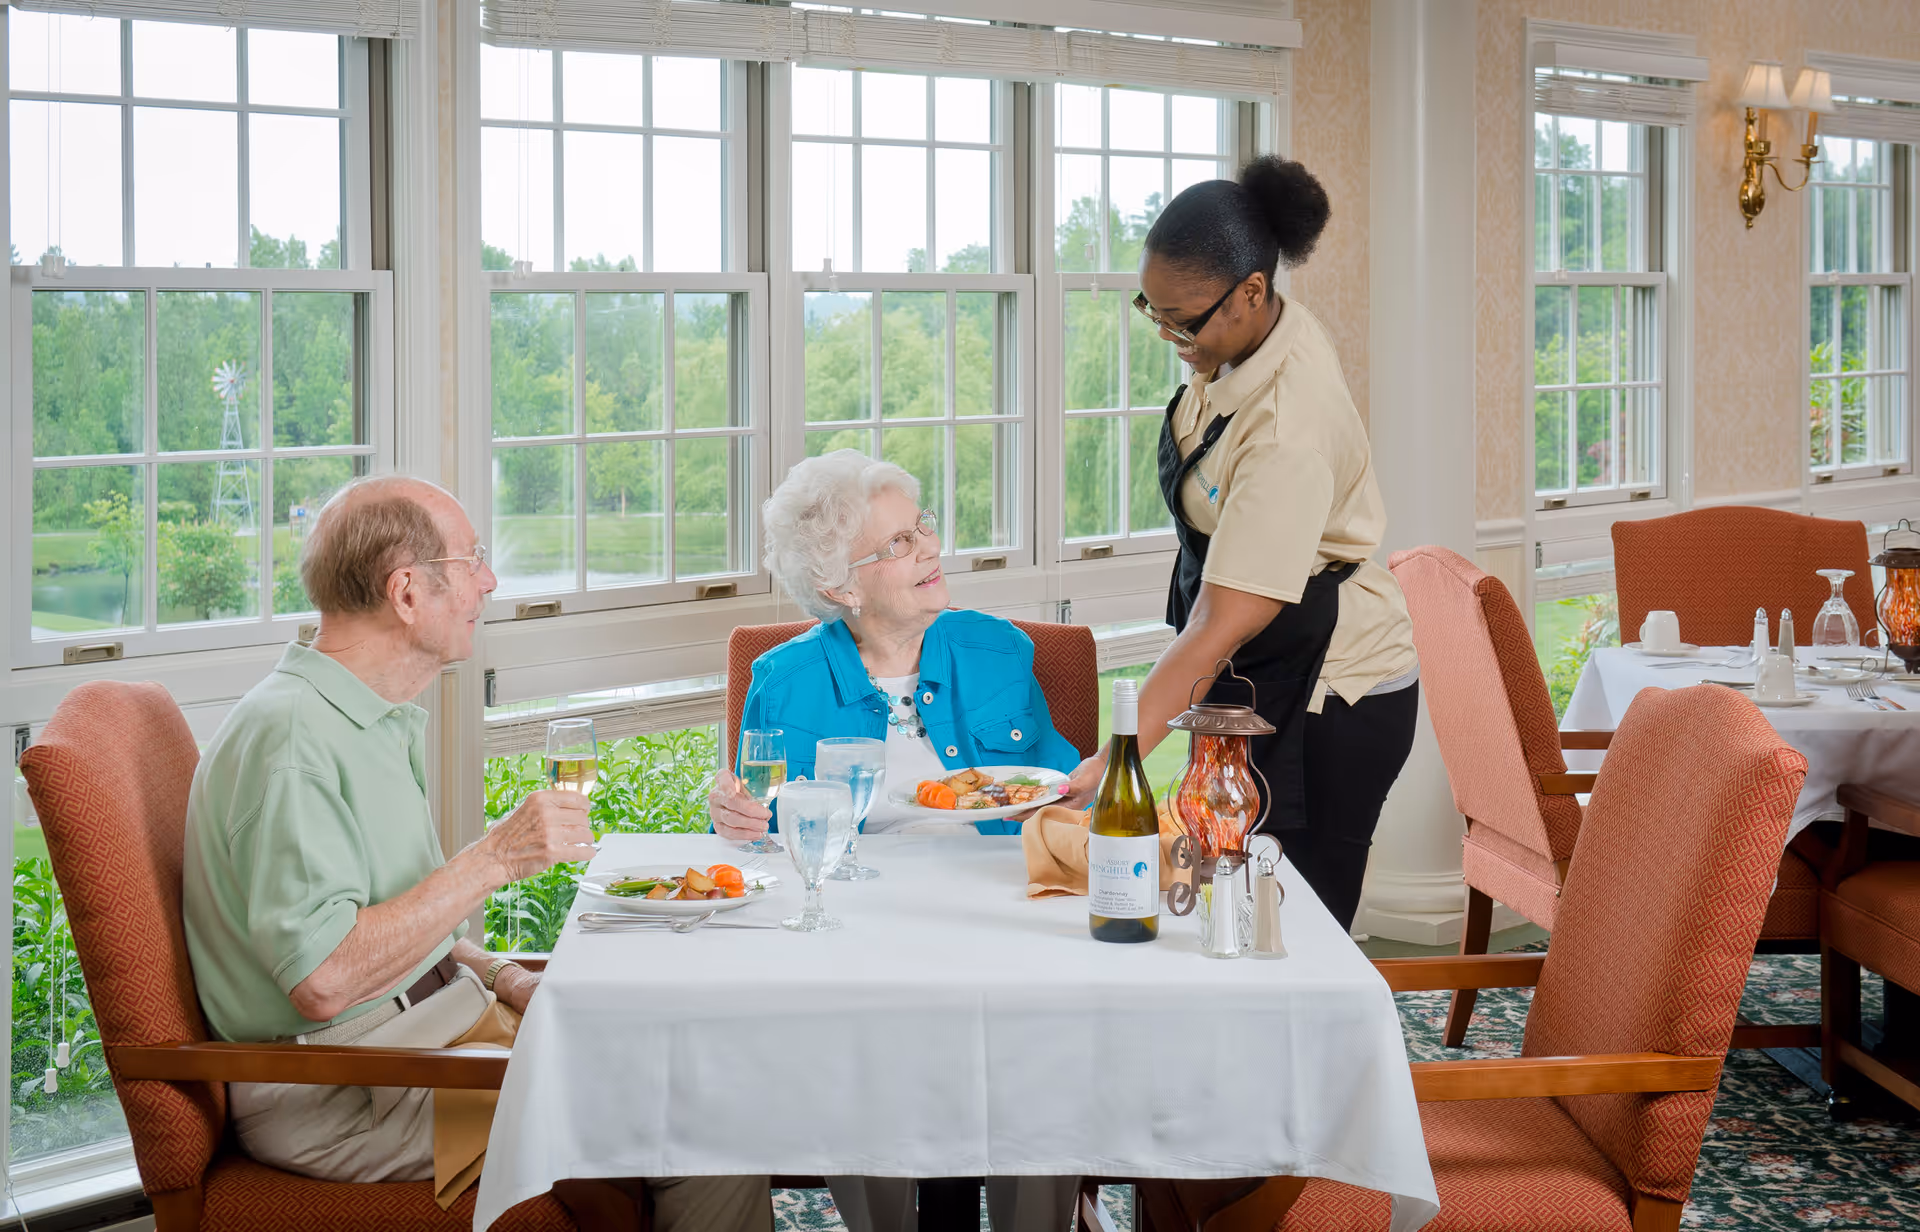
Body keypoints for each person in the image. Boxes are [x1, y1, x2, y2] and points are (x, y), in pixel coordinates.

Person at [181, 475, 770, 1232]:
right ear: (406, 592)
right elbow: (324, 980)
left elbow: (388, 925)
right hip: (346, 1091)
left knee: (682, 1054)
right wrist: (493, 858)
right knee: (704, 1116)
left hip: (422, 1032)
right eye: (472, 561)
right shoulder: (295, 741)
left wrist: (500, 973)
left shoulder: (365, 716)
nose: (489, 582)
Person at [708, 450, 1082, 1232]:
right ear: (842, 587)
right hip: (859, 937)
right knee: (852, 1041)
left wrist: (1074, 796)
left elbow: (1059, 792)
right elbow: (763, 827)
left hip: (1000, 916)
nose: (930, 550)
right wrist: (736, 816)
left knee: (1050, 1045)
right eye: (899, 545)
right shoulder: (783, 680)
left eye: (923, 530)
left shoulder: (1000, 648)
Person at [1063, 157, 1420, 934]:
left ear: (1252, 291)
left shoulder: (1289, 428)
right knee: (1220, 899)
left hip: (1333, 695)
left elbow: (1220, 622)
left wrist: (1116, 757)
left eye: (1184, 320)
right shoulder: (1240, 344)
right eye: (1151, 312)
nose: (1169, 336)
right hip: (1258, 671)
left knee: (1291, 929)